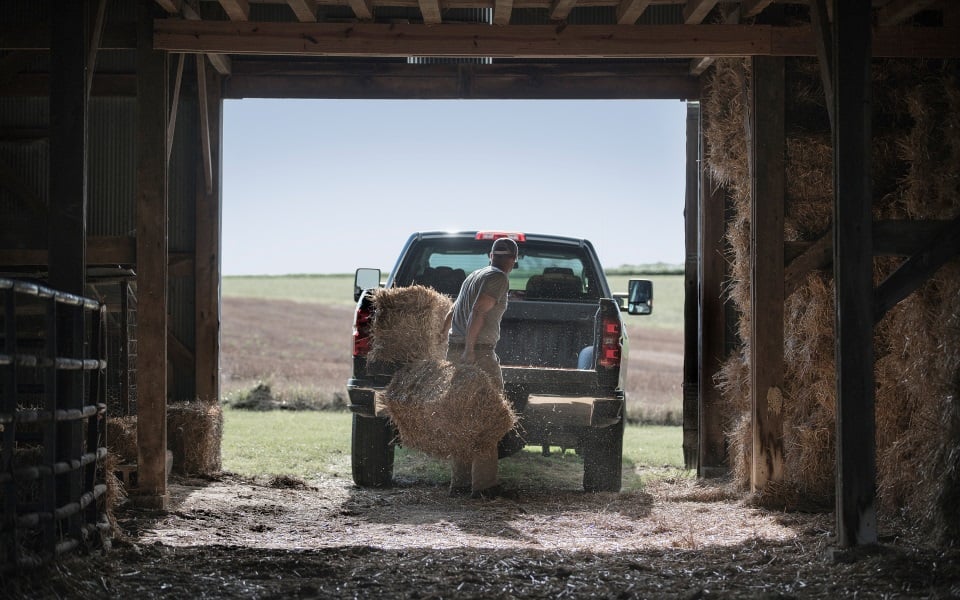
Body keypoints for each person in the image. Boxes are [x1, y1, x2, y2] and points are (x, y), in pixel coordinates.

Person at [442, 236, 518, 499]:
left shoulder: (475, 275)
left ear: (490, 255)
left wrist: (446, 344)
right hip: (478, 354)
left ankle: (460, 483)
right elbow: (478, 311)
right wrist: (470, 350)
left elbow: (452, 311)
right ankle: (484, 487)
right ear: (513, 260)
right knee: (489, 417)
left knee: (463, 416)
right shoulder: (499, 278)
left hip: (456, 349)